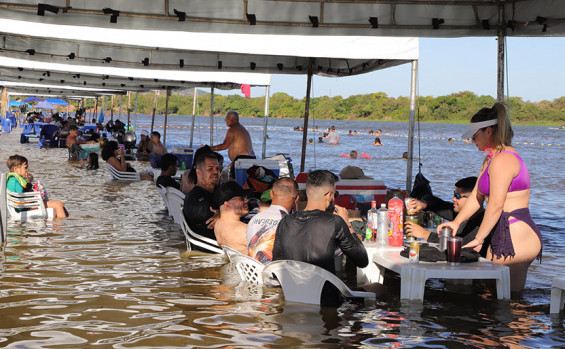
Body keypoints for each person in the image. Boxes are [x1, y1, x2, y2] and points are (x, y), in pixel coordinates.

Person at [438, 102, 542, 293]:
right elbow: (477, 198)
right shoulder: (490, 159)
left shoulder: (504, 160)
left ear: (488, 131)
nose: (472, 140)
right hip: (502, 231)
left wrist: (479, 239)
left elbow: (495, 205)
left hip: (516, 233)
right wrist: (456, 222)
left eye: (475, 135)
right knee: (492, 294)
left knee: (510, 302)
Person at [273, 170, 368, 274]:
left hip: (293, 288)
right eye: (335, 194)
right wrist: (347, 223)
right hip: (323, 289)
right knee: (377, 288)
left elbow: (277, 263)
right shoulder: (335, 222)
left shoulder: (285, 221)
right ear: (329, 196)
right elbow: (362, 261)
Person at [405, 177, 485, 251]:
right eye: (454, 194)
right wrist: (423, 204)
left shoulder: (482, 222)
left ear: (473, 199)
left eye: (457, 196)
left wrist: (424, 234)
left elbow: (460, 244)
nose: (453, 199)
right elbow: (435, 202)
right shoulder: (458, 214)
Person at [247, 177, 299, 264]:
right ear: (296, 199)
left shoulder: (254, 219)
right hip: (275, 275)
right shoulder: (290, 223)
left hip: (252, 273)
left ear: (271, 194)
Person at [6, 155, 68, 220]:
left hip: (23, 205)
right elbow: (21, 199)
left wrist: (29, 183)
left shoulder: (12, 179)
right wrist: (37, 197)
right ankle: (62, 226)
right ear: (16, 169)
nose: (27, 170)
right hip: (24, 207)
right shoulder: (15, 181)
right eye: (25, 167)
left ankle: (60, 224)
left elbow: (22, 194)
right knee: (58, 204)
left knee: (61, 206)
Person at [182, 153, 221, 246]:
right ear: (198, 172)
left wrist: (221, 213)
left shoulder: (218, 191)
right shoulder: (194, 198)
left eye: (218, 169)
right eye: (210, 169)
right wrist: (224, 214)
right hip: (211, 248)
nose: (216, 172)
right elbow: (207, 217)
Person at [213, 182, 250, 254]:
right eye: (242, 198)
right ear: (227, 205)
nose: (246, 200)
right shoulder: (244, 230)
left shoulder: (217, 224)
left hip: (237, 263)